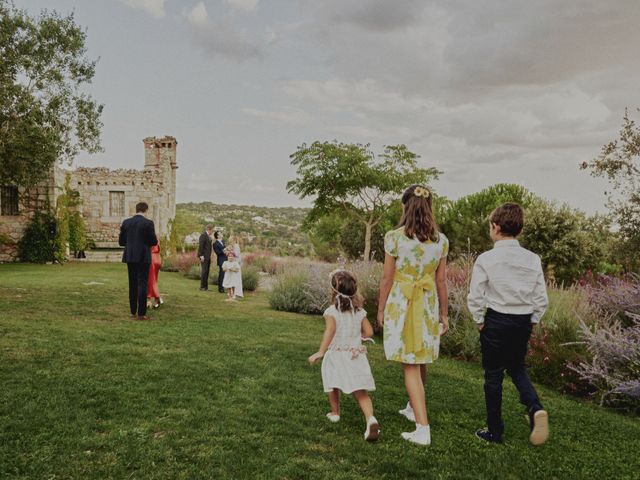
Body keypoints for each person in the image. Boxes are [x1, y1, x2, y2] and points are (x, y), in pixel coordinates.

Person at [467, 202, 549, 446]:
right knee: (517, 368)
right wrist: (533, 320)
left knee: (493, 376)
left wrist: (479, 320)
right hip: (522, 321)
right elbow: (540, 297)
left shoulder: (487, 258)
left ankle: (494, 431)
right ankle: (534, 409)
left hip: (496, 320)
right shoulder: (532, 259)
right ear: (519, 231)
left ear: (495, 227)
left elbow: (476, 295)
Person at [377, 185, 449, 446]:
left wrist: (381, 308)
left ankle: (422, 428)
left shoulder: (394, 238)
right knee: (420, 358)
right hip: (427, 303)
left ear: (404, 207)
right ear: (430, 208)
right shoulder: (441, 241)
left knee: (409, 363)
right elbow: (441, 282)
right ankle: (411, 406)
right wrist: (444, 314)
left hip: (404, 302)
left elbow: (387, 277)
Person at [308, 270, 379, 442]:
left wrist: (321, 352)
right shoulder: (359, 311)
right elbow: (369, 332)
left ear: (334, 291)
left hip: (336, 355)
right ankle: (371, 419)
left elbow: (330, 332)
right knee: (360, 391)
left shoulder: (332, 312)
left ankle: (335, 413)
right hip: (355, 355)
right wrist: (357, 338)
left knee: (333, 383)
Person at [118, 201, 158, 320]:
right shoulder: (148, 223)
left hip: (130, 256)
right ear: (146, 210)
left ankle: (132, 312)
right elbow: (153, 242)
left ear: (136, 210)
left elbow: (121, 242)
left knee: (132, 284)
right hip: (143, 257)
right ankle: (141, 314)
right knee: (142, 284)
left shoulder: (126, 222)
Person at [147, 240, 163, 309]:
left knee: (151, 280)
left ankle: (155, 298)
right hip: (157, 257)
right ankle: (156, 299)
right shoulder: (155, 235)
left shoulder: (147, 234)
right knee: (154, 280)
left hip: (152, 258)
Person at [197, 225, 214, 291]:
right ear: (209, 229)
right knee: (204, 272)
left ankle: (206, 287)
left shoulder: (209, 237)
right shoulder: (203, 235)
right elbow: (201, 246)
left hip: (208, 257)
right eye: (212, 230)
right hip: (203, 257)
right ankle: (202, 287)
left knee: (207, 271)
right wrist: (201, 255)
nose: (213, 231)